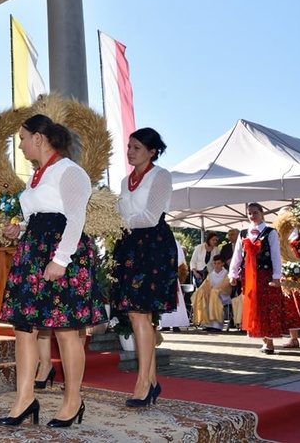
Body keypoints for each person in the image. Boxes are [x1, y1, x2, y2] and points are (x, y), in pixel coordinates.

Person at [0, 115, 106, 428]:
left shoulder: (69, 171)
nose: (20, 144)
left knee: (67, 329)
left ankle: (73, 400)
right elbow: (37, 217)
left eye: (22, 138)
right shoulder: (36, 177)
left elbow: (75, 219)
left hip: (62, 252)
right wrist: (18, 229)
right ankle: (24, 398)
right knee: (24, 329)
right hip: (32, 253)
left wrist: (60, 259)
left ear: (39, 138)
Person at [112, 127, 177, 407]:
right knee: (137, 315)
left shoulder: (160, 175)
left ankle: (143, 382)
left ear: (153, 151)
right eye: (129, 146)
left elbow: (151, 216)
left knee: (141, 313)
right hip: (129, 246)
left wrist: (119, 223)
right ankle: (150, 381)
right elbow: (120, 213)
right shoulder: (126, 181)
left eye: (137, 147)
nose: (130, 152)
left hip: (153, 245)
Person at [228, 202, 285, 354]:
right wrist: (233, 274)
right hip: (249, 276)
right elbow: (237, 256)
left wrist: (276, 276)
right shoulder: (243, 233)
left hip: (265, 275)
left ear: (262, 214)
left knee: (266, 306)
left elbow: (275, 256)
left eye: (255, 213)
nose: (252, 216)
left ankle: (269, 341)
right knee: (253, 307)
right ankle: (263, 339)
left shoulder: (270, 232)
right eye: (250, 213)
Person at [192, 255, 233, 331]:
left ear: (222, 264)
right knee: (203, 296)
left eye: (218, 263)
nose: (216, 266)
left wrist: (216, 290)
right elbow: (205, 285)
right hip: (212, 294)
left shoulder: (226, 274)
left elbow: (225, 286)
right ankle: (207, 324)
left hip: (223, 295)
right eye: (215, 263)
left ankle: (217, 325)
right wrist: (201, 292)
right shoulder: (211, 274)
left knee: (214, 296)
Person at [159, 240, 191, 332]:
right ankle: (165, 324)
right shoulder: (156, 240)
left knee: (175, 299)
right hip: (161, 274)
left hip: (171, 272)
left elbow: (181, 257)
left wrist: (171, 265)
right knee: (162, 298)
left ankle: (176, 323)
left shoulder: (174, 242)